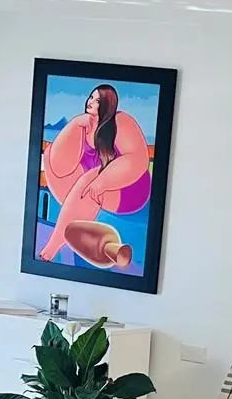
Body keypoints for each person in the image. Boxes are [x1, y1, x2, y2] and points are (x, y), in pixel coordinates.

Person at [38, 84, 150, 264]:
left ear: (107, 104)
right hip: (93, 185)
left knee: (91, 177)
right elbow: (59, 166)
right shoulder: (84, 125)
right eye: (91, 97)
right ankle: (75, 215)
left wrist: (103, 181)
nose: (90, 102)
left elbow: (137, 160)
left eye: (97, 100)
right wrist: (75, 124)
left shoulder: (120, 121)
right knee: (50, 152)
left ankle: (53, 246)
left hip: (129, 188)